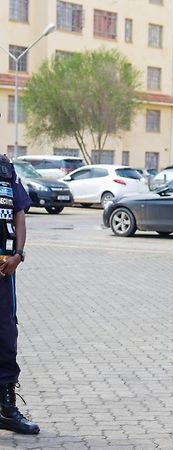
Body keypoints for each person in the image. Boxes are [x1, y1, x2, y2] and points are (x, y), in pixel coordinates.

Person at [0, 152, 39, 434]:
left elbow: (19, 215)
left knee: (6, 337)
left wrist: (18, 255)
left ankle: (6, 408)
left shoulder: (6, 169)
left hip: (3, 270)